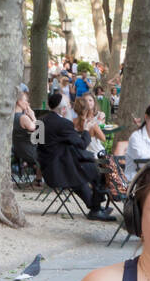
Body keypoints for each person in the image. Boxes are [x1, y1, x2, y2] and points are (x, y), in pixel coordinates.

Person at [38, 92, 113, 221]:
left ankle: (94, 206)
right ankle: (96, 208)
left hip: (46, 167)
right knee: (97, 169)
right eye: (68, 105)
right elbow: (82, 144)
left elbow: (39, 144)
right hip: (59, 169)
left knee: (84, 170)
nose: (70, 108)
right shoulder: (64, 124)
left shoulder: (41, 120)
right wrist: (86, 130)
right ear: (62, 109)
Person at [13, 90, 41, 183]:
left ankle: (38, 179)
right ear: (19, 102)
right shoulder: (23, 118)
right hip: (29, 152)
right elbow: (35, 128)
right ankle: (39, 179)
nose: (28, 103)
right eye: (26, 100)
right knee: (50, 151)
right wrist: (33, 116)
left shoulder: (11, 117)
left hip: (17, 151)